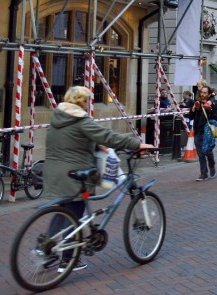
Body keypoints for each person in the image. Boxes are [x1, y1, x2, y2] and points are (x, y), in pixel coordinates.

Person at [45, 86, 154, 271]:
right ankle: (68, 260)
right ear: (81, 101)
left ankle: (47, 251)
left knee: (62, 211)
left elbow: (70, 141)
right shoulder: (80, 119)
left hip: (54, 173)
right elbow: (107, 136)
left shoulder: (58, 118)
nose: (88, 104)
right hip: (74, 174)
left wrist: (95, 145)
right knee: (74, 214)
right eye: (87, 100)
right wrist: (137, 144)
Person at [187, 84, 217, 180]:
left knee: (208, 151)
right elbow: (190, 117)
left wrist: (210, 110)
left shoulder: (213, 104)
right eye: (202, 92)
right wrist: (192, 110)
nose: (203, 94)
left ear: (209, 94)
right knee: (200, 154)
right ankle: (203, 173)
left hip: (208, 132)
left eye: (205, 93)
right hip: (198, 131)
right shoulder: (197, 103)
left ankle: (212, 166)